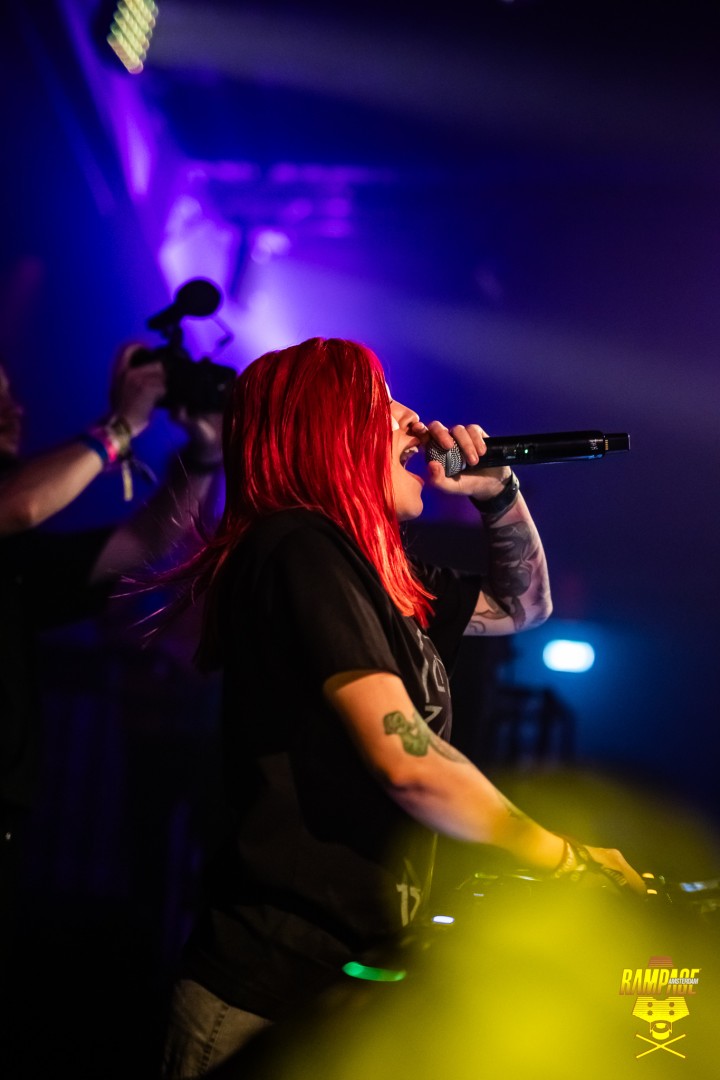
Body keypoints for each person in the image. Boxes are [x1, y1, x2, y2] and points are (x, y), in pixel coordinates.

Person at [157, 337, 646, 1079]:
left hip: (344, 989)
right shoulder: (299, 545)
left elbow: (525, 606)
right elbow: (406, 760)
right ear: (329, 428)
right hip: (270, 998)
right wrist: (564, 858)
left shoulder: (376, 572)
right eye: (383, 405)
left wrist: (498, 495)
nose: (414, 421)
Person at [0, 344, 224, 969]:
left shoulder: (18, 553)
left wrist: (205, 454)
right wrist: (120, 427)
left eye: (12, 394)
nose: (15, 409)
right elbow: (21, 504)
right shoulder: (13, 510)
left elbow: (148, 539)